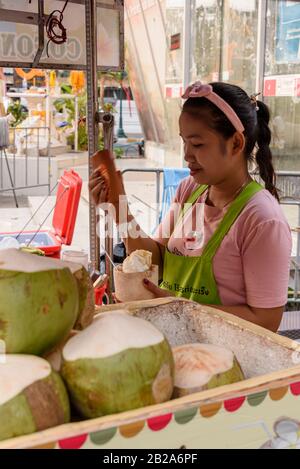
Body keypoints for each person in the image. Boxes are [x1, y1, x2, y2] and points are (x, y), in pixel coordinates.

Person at [89, 81, 292, 332]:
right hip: (173, 340)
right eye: (184, 141)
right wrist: (118, 211)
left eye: (197, 144)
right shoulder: (189, 190)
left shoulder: (261, 219)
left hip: (225, 361)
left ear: (236, 144)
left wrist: (179, 308)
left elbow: (266, 321)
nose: (186, 154)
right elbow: (156, 259)